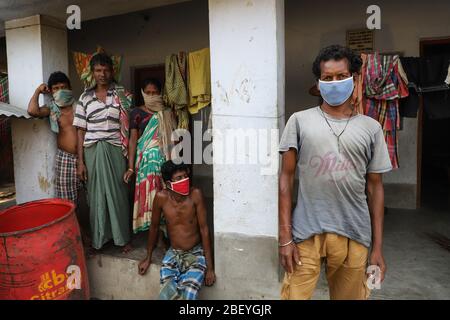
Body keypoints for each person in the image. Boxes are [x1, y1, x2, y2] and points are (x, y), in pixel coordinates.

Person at [278, 44, 392, 300]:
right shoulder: (299, 121)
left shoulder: (371, 128)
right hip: (306, 233)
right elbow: (285, 178)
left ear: (354, 78)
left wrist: (378, 248)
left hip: (354, 232)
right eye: (327, 78)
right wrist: (285, 237)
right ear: (318, 84)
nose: (335, 83)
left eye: (341, 76)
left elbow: (375, 187)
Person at [73, 52, 132, 253]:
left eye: (106, 70)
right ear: (92, 72)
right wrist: (80, 162)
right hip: (92, 151)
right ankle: (100, 238)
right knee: (96, 195)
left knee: (118, 193)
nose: (102, 74)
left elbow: (130, 126)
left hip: (115, 149)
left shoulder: (122, 94)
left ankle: (122, 238)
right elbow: (80, 131)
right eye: (98, 70)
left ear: (112, 71)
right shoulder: (85, 98)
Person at [138, 160, 215, 300]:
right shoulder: (161, 198)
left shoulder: (195, 194)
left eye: (185, 176)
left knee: (189, 293)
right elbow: (154, 228)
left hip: (195, 253)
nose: (184, 180)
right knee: (166, 294)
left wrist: (210, 268)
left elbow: (204, 230)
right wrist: (148, 257)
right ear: (168, 184)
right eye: (179, 178)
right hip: (173, 253)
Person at [123, 78, 176, 238]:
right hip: (146, 165)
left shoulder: (167, 113)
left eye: (155, 93)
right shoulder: (136, 113)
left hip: (165, 163)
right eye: (148, 93)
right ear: (143, 93)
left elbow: (174, 139)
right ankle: (156, 238)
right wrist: (131, 167)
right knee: (152, 199)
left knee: (166, 197)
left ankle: (166, 235)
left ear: (160, 93)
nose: (152, 95)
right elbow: (133, 140)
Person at [27, 72, 81, 204]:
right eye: (56, 88)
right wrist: (38, 91)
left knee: (94, 195)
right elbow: (32, 111)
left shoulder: (81, 106)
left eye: (63, 87)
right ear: (51, 91)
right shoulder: (52, 109)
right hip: (64, 159)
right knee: (67, 202)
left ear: (70, 88)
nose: (60, 91)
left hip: (86, 155)